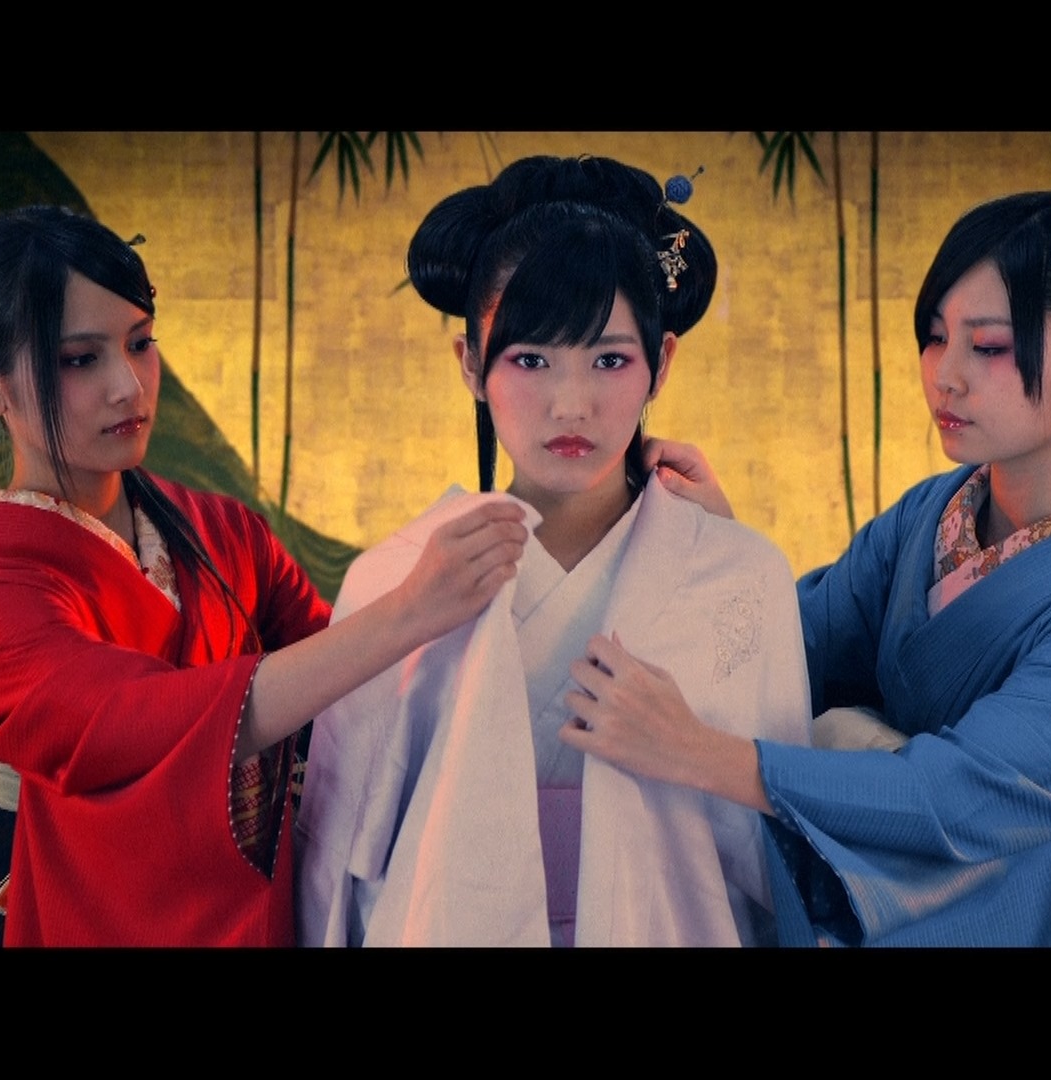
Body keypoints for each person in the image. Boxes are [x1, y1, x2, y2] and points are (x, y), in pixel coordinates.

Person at [564, 144, 1051, 947]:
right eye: (934, 336)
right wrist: (722, 546)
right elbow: (797, 650)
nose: (944, 375)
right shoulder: (934, 514)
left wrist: (700, 754)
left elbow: (964, 796)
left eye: (987, 346)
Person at [0, 205, 527, 947]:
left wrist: (619, 497)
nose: (128, 385)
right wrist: (407, 611)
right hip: (55, 905)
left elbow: (354, 685)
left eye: (140, 343)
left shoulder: (223, 533)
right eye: (80, 359)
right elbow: (117, 724)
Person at [294, 155, 812, 947]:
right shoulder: (393, 579)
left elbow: (781, 864)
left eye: (609, 359)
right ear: (471, 366)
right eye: (530, 360)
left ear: (662, 364)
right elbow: (337, 869)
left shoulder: (740, 575)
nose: (571, 404)